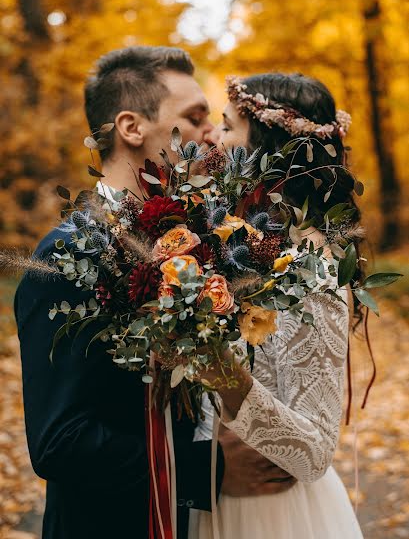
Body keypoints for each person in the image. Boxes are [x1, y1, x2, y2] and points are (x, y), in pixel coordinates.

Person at [14, 48, 294, 539]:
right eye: (194, 116)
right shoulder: (64, 256)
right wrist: (208, 469)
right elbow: (59, 441)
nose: (212, 132)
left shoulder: (197, 240)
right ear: (131, 127)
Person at [189, 72, 364, 539]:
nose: (213, 137)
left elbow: (315, 452)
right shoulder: (240, 245)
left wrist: (224, 375)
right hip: (213, 497)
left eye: (227, 127)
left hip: (274, 517)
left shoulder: (315, 274)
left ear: (267, 150)